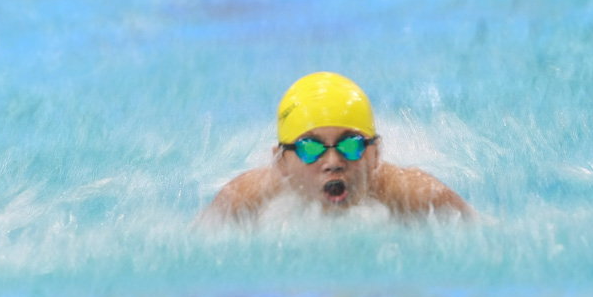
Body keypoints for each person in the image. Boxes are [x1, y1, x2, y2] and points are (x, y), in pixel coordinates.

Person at [203, 72, 475, 222]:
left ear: (375, 153)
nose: (333, 161)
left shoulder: (417, 195)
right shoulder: (243, 200)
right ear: (281, 162)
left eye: (351, 145)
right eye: (310, 148)